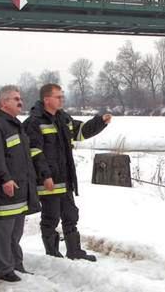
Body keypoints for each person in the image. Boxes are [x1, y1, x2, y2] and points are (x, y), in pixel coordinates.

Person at [24, 83, 112, 262]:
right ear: (47, 99)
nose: (61, 99)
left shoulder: (63, 118)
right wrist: (45, 176)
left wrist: (100, 122)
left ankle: (74, 251)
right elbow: (35, 152)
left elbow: (80, 132)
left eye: (62, 96)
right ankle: (53, 254)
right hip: (48, 180)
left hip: (65, 178)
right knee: (51, 217)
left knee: (71, 215)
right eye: (58, 97)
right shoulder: (34, 122)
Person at [0, 85, 40, 282]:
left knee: (16, 233)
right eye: (15, 99)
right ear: (3, 102)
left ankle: (17, 264)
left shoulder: (16, 125)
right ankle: (5, 269)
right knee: (4, 234)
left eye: (20, 98)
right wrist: (5, 179)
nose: (20, 101)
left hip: (20, 190)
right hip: (3, 191)